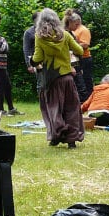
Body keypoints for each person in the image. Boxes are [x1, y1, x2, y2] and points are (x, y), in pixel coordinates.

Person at [32, 8, 85, 148]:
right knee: (71, 108)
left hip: (51, 79)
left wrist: (32, 61)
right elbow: (80, 51)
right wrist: (67, 51)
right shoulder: (66, 35)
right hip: (67, 77)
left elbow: (38, 58)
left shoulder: (40, 36)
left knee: (53, 107)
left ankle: (58, 134)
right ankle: (71, 140)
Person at [63, 10, 91, 103]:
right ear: (70, 22)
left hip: (76, 60)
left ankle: (82, 102)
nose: (77, 27)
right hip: (71, 62)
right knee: (79, 82)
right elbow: (70, 49)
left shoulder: (71, 32)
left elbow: (83, 46)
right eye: (76, 24)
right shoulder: (65, 33)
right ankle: (81, 101)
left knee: (80, 81)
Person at [22, 12, 37, 82]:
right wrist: (29, 64)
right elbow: (26, 49)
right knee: (40, 83)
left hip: (47, 61)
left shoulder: (46, 30)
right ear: (34, 21)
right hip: (35, 60)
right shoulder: (29, 32)